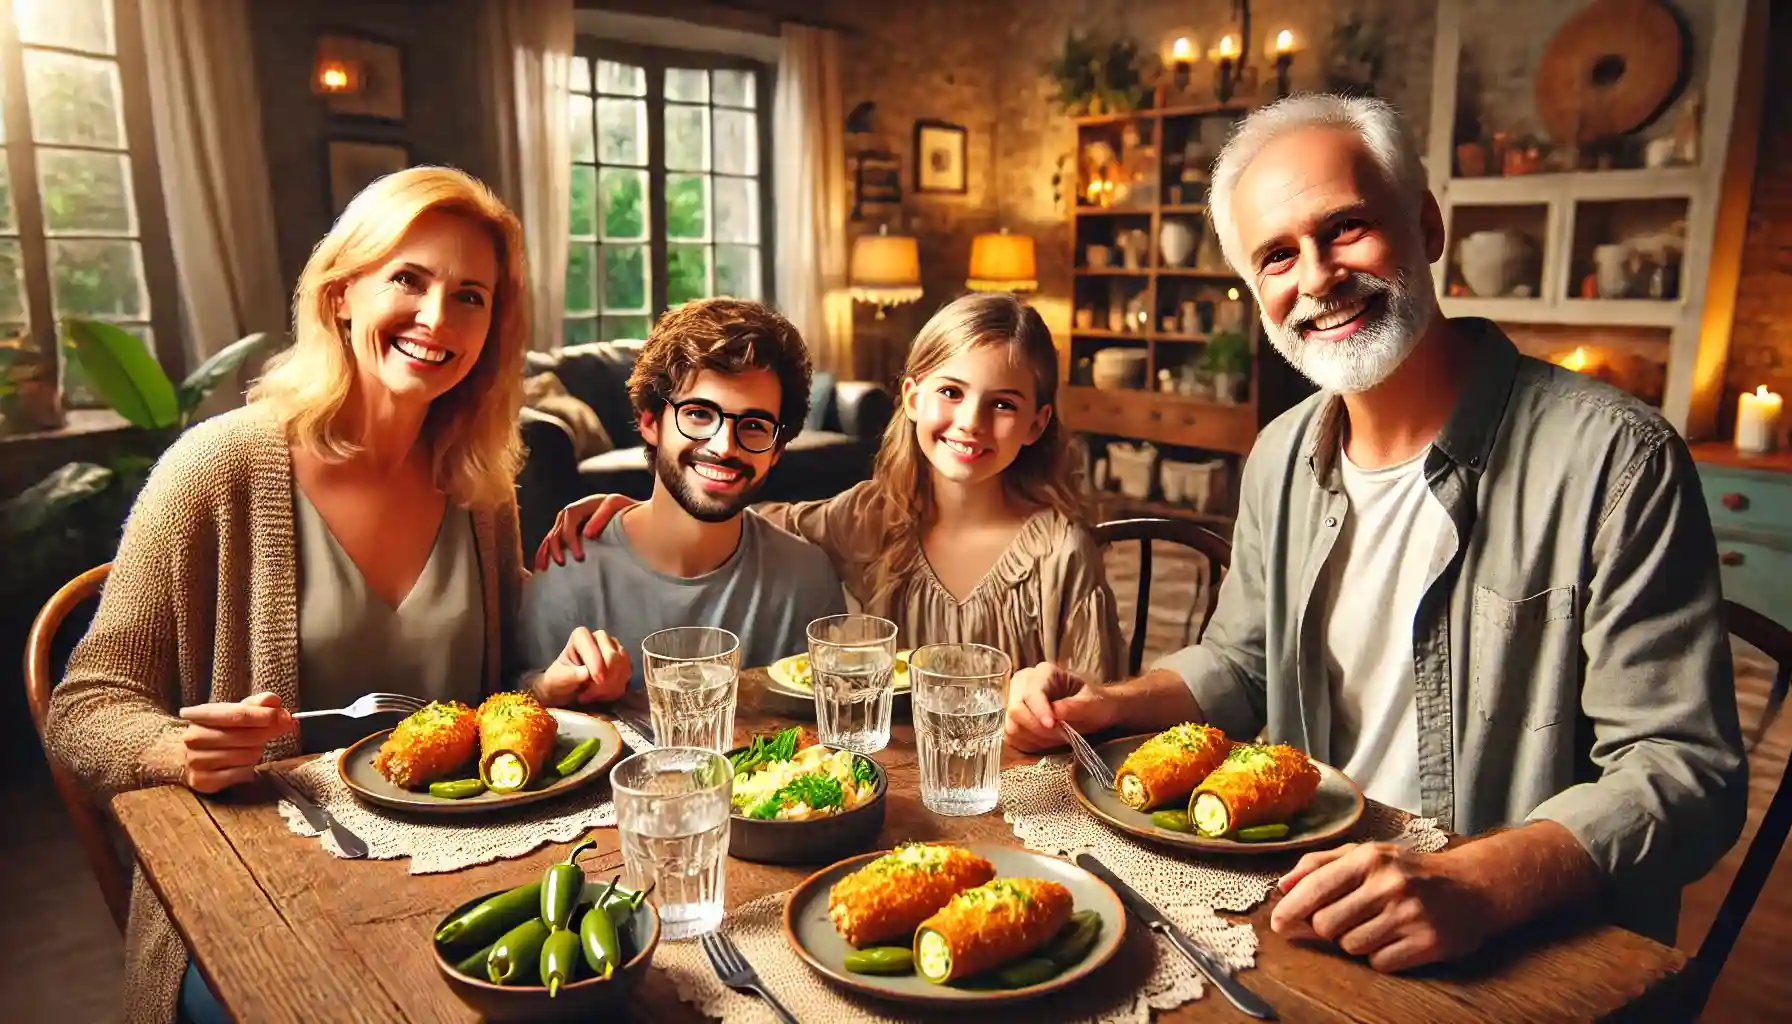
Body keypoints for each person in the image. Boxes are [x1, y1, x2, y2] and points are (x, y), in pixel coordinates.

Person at [1006, 94, 1746, 969]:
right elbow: (1243, 662)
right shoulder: (1281, 453)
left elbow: (1683, 769)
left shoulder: (1618, 460)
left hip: (1524, 945)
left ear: (1427, 227)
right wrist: (1108, 705)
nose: (1315, 278)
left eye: (1346, 228)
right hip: (1306, 899)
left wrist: (1477, 881)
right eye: (1277, 256)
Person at [42, 166, 532, 1024]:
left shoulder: (481, 488)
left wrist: (546, 691)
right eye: (407, 280)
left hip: (454, 872)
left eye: (470, 297)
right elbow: (84, 708)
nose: (436, 319)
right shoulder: (220, 466)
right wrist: (177, 748)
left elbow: (499, 695)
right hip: (265, 903)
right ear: (342, 295)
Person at [535, 292, 1124, 684]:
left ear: (1037, 423)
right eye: (951, 392)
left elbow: (1100, 721)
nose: (970, 421)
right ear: (913, 396)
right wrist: (636, 510)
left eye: (1002, 404)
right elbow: (732, 510)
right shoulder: (867, 518)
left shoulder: (1059, 554)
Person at [515, 298, 845, 700]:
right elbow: (512, 710)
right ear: (650, 422)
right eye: (699, 415)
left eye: (755, 425)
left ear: (777, 450)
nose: (724, 446)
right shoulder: (569, 571)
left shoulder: (807, 581)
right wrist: (549, 691)